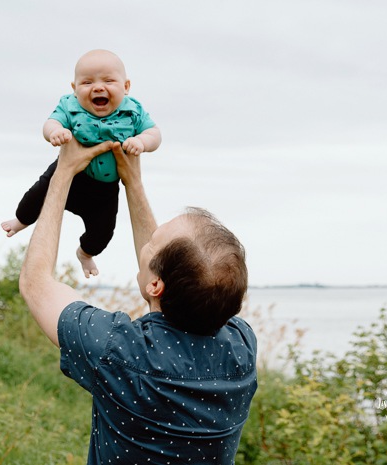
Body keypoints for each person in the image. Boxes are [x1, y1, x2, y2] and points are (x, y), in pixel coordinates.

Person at [18, 138, 258, 465]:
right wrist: (133, 182)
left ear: (157, 285)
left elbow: (36, 284)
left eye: (153, 243)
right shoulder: (241, 348)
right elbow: (168, 285)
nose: (148, 243)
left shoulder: (119, 351)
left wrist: (62, 172)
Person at [2, 49, 162, 278]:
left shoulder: (133, 111)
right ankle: (20, 221)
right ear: (74, 88)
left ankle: (85, 253)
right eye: (87, 82)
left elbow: (154, 133)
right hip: (70, 174)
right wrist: (55, 132)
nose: (98, 87)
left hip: (105, 190)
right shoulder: (70, 106)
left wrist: (142, 142)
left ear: (126, 87)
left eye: (108, 81)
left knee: (103, 233)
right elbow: (50, 123)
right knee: (36, 195)